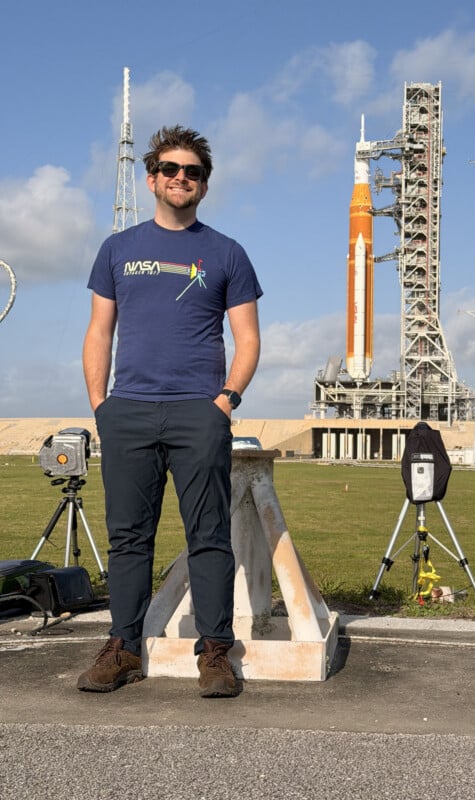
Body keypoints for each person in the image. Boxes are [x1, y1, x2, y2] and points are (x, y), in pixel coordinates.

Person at [77, 125, 262, 697]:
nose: (182, 178)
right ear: (153, 178)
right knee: (128, 537)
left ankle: (215, 654)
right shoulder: (118, 249)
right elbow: (99, 330)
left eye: (194, 172)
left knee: (209, 534)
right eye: (172, 170)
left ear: (204, 184)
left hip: (197, 413)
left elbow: (248, 338)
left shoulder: (227, 252)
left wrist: (225, 402)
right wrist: (101, 406)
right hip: (127, 411)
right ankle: (124, 647)